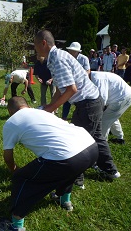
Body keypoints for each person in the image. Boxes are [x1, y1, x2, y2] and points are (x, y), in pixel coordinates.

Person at [33, 30, 120, 189]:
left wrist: (49, 109)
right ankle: (111, 171)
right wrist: (49, 107)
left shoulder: (57, 59)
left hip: (88, 104)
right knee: (97, 138)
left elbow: (71, 89)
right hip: (89, 102)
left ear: (43, 43)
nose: (35, 49)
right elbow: (61, 88)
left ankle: (76, 180)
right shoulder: (54, 58)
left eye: (35, 44)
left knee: (78, 142)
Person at [0, 96, 98, 231]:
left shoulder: (12, 122)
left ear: (10, 111)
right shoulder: (42, 112)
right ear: (26, 105)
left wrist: (16, 171)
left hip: (67, 157)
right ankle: (64, 200)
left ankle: (15, 225)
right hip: (90, 147)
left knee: (21, 179)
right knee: (68, 171)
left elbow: (8, 157)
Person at [90, 71, 131, 145]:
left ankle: (101, 142)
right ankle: (119, 138)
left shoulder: (98, 79)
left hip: (122, 98)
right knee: (112, 118)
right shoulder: (94, 76)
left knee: (104, 121)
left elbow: (102, 99)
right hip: (122, 96)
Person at [62, 42, 91, 120]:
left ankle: (79, 117)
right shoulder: (67, 58)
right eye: (70, 50)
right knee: (67, 100)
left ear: (78, 52)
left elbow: (88, 71)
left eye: (73, 51)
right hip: (70, 82)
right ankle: (64, 117)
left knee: (80, 102)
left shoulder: (84, 59)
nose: (71, 52)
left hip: (81, 84)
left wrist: (81, 78)